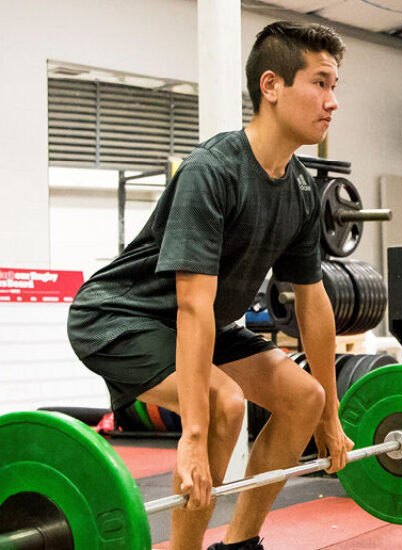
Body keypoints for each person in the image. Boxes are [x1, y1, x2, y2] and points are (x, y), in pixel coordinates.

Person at [67, 21, 353, 550]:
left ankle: (239, 543)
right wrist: (192, 440)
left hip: (196, 322)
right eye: (320, 82)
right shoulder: (213, 172)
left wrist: (331, 419)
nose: (332, 101)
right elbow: (192, 306)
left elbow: (314, 304)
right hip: (120, 316)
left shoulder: (301, 191)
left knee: (304, 398)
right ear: (271, 86)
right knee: (223, 405)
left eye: (335, 86)